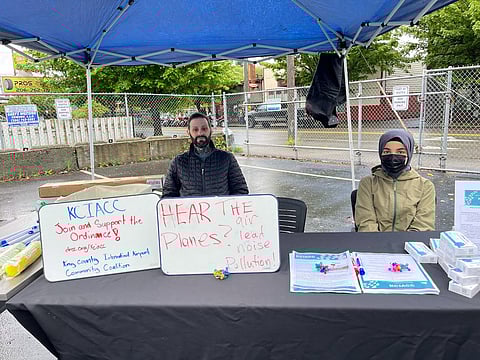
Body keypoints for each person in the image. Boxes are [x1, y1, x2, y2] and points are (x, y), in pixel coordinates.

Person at [355, 129, 435, 232]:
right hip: (375, 244)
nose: (393, 157)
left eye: (400, 152)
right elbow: (366, 222)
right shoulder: (368, 183)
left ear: (409, 153)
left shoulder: (425, 186)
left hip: (410, 244)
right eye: (387, 152)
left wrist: (404, 245)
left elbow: (423, 225)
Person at [162, 112, 249, 198]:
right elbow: (168, 195)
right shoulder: (178, 162)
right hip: (190, 212)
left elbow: (240, 190)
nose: (200, 133)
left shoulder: (227, 158)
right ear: (188, 132)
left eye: (204, 129)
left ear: (210, 130)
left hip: (220, 211)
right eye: (195, 130)